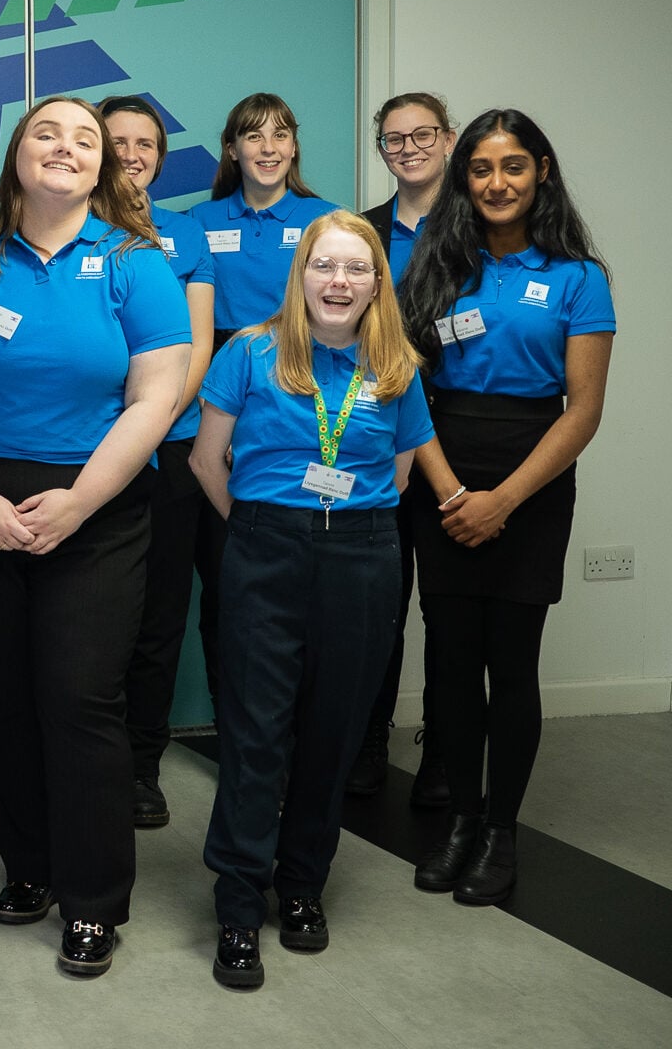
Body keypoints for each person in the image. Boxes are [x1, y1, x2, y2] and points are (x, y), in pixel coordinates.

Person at [0, 95, 190, 979]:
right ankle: (28, 869)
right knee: (8, 697)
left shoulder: (135, 262)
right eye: (48, 133)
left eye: (86, 139)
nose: (66, 149)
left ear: (104, 165)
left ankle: (94, 898)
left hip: (99, 506)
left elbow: (157, 397)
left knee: (79, 700)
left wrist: (76, 501)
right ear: (16, 154)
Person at [190, 211, 433, 991]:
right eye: (324, 266)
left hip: (362, 554)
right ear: (301, 277)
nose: (338, 281)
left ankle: (301, 889)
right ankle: (237, 903)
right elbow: (205, 460)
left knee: (333, 731)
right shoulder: (250, 352)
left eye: (355, 269)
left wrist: (335, 530)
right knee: (257, 731)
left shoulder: (395, 365)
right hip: (265, 548)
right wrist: (266, 529)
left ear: (375, 283)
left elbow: (399, 475)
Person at [401, 110, 613, 906]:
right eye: (482, 169)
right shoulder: (436, 263)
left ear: (542, 173)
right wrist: (454, 492)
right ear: (464, 180)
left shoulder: (578, 277)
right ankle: (459, 819)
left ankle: (500, 832)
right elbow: (407, 387)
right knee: (451, 663)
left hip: (533, 476)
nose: (497, 183)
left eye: (514, 167)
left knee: (511, 666)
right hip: (444, 464)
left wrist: (504, 500)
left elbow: (583, 410)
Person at [186, 93, 338, 708]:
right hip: (217, 391)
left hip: (299, 385)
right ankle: (238, 732)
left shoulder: (326, 220)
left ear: (295, 146)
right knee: (226, 582)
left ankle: (306, 734)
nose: (268, 148)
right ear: (233, 149)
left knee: (304, 585)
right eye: (253, 136)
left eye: (280, 135)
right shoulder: (198, 221)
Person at [100, 95, 215, 830]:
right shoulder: (72, 231)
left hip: (170, 448)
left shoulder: (187, 234)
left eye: (146, 144)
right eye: (118, 141)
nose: (132, 154)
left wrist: (153, 421)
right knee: (93, 615)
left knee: (159, 614)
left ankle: (142, 763)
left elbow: (198, 344)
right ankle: (90, 755)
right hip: (83, 451)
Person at [350, 92, 460, 803]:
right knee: (375, 604)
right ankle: (365, 742)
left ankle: (445, 754)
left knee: (449, 608)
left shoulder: (482, 226)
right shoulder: (363, 231)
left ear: (450, 140)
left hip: (461, 436)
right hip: (378, 433)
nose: (409, 147)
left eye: (423, 134)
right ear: (380, 149)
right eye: (394, 139)